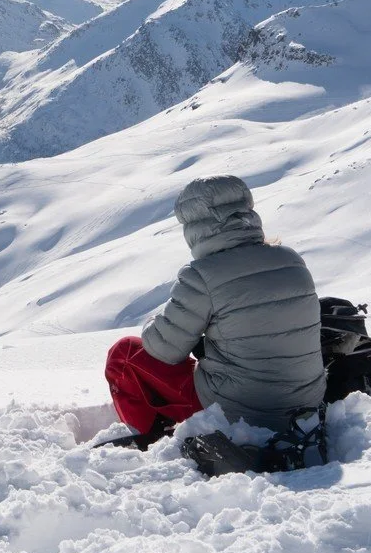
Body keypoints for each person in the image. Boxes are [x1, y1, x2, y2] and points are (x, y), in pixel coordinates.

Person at [104, 175, 326, 444]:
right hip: (307, 402)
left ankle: (152, 439)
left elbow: (163, 350)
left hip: (239, 410)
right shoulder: (291, 259)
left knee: (124, 354)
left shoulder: (202, 274)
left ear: (195, 225)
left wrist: (154, 321)